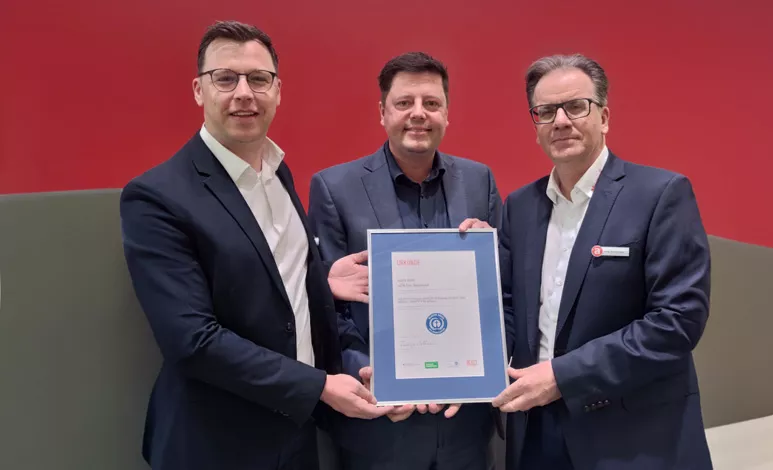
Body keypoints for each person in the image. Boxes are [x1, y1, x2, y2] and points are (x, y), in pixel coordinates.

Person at [120, 20, 388, 470]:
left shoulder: (277, 172)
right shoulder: (156, 196)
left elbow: (263, 273)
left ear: (278, 91)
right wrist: (318, 385)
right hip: (216, 442)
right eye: (225, 78)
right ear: (198, 90)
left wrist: (317, 278)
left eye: (258, 79)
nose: (244, 92)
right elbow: (193, 341)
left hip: (294, 434)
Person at [491, 54, 714, 470]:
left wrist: (562, 377)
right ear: (535, 124)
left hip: (631, 436)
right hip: (535, 431)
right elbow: (506, 308)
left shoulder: (660, 194)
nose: (560, 121)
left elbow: (677, 321)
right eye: (545, 111)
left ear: (604, 116)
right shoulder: (519, 207)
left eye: (576, 106)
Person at [308, 52, 501, 470]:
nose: (419, 114)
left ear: (447, 113)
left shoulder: (479, 179)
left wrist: (486, 265)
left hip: (463, 422)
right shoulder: (334, 187)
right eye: (404, 103)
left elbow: (502, 299)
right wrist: (374, 376)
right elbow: (328, 311)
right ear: (382, 112)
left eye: (431, 103)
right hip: (378, 422)